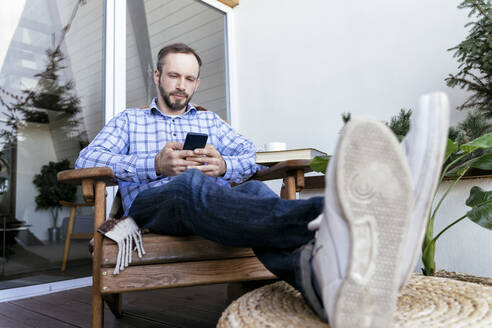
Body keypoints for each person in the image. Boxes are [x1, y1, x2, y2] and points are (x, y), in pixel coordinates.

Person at [76, 43, 450, 327]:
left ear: (197, 82)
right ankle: (342, 212)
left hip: (211, 203)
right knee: (191, 183)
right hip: (152, 208)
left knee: (254, 192)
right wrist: (153, 163)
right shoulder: (130, 121)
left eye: (189, 79)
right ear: (157, 76)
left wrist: (223, 166)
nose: (182, 86)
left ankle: (328, 290)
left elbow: (252, 156)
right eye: (174, 76)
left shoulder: (211, 123)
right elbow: (86, 162)